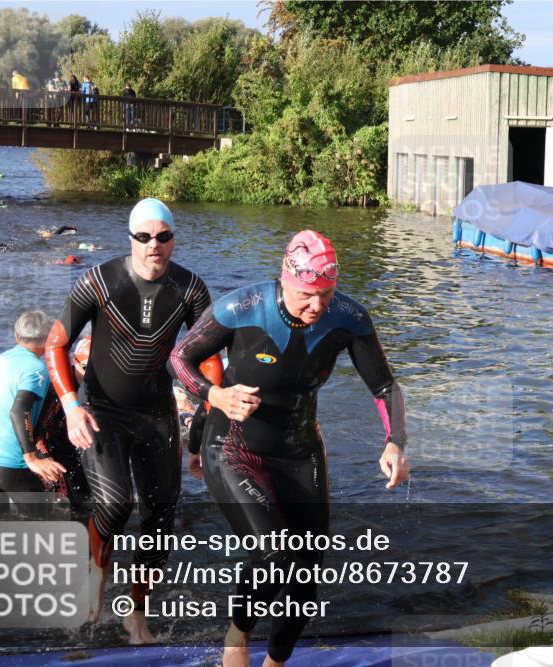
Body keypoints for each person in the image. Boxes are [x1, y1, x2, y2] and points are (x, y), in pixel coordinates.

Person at [170, 230, 410, 667]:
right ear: (285, 280)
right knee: (273, 554)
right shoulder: (243, 307)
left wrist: (395, 441)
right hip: (233, 445)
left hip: (299, 450)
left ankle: (275, 663)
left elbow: (385, 385)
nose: (316, 306)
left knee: (305, 577)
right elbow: (179, 357)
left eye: (325, 294)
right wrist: (214, 395)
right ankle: (237, 637)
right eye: (305, 295)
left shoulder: (348, 318)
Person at [44, 197, 222, 644]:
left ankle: (135, 611)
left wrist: (209, 409)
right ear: (131, 239)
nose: (153, 246)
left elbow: (209, 356)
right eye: (143, 237)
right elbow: (55, 344)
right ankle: (95, 573)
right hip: (103, 411)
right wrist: (69, 405)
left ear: (173, 240)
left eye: (163, 237)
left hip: (158, 415)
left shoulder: (191, 289)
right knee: (115, 503)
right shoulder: (99, 282)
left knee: (161, 512)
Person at [0, 311, 67, 501]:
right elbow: (19, 411)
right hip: (10, 463)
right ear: (48, 338)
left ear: (16, 335)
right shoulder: (36, 369)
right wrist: (31, 458)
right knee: (43, 525)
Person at [34, 336, 92, 512]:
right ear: (74, 363)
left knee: (92, 504)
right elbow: (37, 432)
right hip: (52, 449)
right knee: (67, 509)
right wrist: (45, 459)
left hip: (80, 448)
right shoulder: (58, 388)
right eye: (85, 368)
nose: (90, 376)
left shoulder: (101, 386)